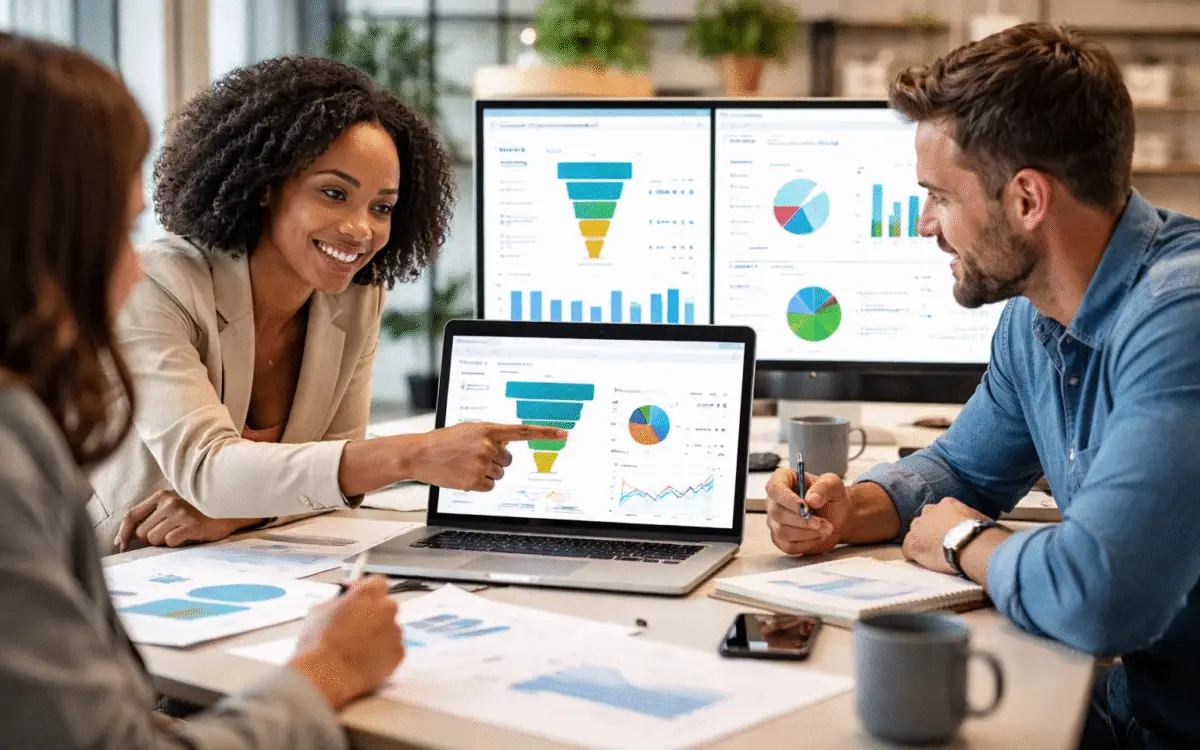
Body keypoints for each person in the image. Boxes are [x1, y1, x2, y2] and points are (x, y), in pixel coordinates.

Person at [764, 23, 1200, 750]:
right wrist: (847, 509)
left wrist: (966, 538)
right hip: (1134, 708)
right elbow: (960, 468)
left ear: (1028, 199)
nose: (925, 224)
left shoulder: (1179, 318)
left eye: (938, 196)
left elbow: (1102, 599)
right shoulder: (1037, 321)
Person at [0, 33, 405, 748]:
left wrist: (240, 515)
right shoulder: (12, 451)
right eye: (115, 233)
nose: (129, 271)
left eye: (382, 206)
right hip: (141, 580)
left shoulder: (19, 427)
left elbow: (324, 470)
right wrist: (327, 669)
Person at [87, 56, 565, 554]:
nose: (362, 230)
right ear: (266, 185)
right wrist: (416, 453)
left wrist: (235, 514)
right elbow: (208, 469)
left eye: (382, 207)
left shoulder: (357, 296)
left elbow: (335, 471)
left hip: (245, 560)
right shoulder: (158, 286)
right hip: (119, 569)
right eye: (334, 194)